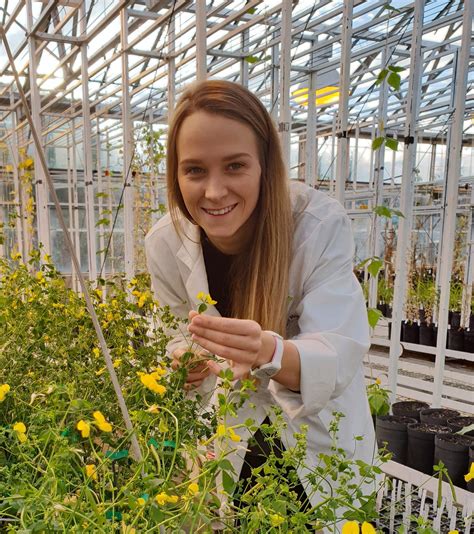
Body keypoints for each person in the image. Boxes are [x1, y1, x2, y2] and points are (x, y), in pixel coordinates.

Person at [145, 79, 376, 516]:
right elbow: (173, 332)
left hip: (316, 435)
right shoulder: (163, 242)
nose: (214, 192)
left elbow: (339, 349)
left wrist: (270, 351)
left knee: (320, 517)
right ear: (175, 174)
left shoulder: (316, 224)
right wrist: (183, 360)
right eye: (194, 169)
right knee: (232, 517)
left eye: (235, 166)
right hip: (230, 435)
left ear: (266, 165)